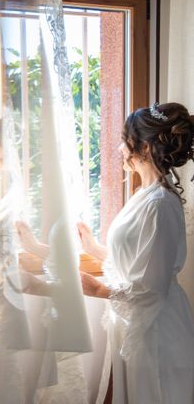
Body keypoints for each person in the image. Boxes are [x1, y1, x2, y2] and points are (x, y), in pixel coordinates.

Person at [79, 102, 194, 403]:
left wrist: (96, 288)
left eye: (124, 141)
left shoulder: (160, 205)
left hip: (158, 327)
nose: (120, 148)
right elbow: (137, 263)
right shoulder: (144, 195)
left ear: (143, 147)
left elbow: (150, 288)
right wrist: (93, 248)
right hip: (140, 323)